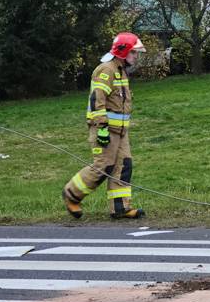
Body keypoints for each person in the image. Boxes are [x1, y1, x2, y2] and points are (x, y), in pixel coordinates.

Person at [63, 32, 147, 219]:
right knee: (103, 167)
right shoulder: (106, 70)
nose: (136, 56)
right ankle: (71, 195)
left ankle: (120, 208)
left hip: (121, 131)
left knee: (123, 166)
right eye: (134, 53)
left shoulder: (120, 70)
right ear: (123, 52)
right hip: (105, 130)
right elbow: (97, 100)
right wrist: (101, 127)